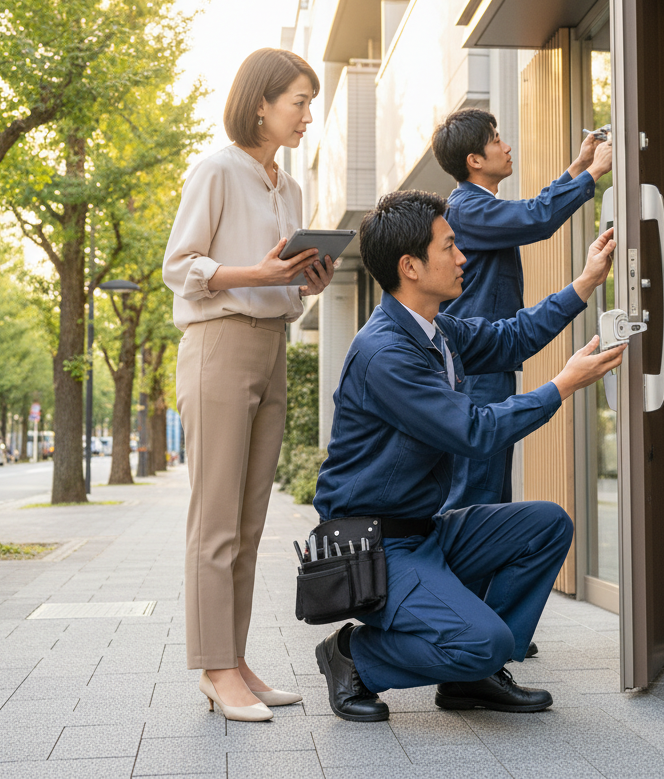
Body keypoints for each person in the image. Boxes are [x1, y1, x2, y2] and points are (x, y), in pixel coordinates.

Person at [312, 190, 623, 722]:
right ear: (411, 267)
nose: (463, 258)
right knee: (485, 640)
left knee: (545, 525)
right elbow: (474, 430)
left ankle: (470, 678)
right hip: (375, 547)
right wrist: (562, 386)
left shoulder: (434, 329)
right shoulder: (386, 353)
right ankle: (354, 656)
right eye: (450, 247)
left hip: (422, 532)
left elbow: (511, 338)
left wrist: (587, 282)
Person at [163, 48, 336, 722]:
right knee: (215, 523)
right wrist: (257, 275)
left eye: (309, 103)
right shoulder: (216, 169)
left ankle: (232, 662)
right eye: (298, 101)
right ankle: (213, 669)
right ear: (260, 103)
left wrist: (301, 283)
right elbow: (180, 267)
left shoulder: (288, 189)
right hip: (218, 345)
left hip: (270, 347)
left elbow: (280, 284)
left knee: (250, 523)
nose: (307, 116)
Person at [431, 108, 612, 516]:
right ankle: (458, 579)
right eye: (496, 139)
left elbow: (528, 214)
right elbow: (535, 217)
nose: (506, 146)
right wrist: (592, 174)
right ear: (474, 160)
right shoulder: (465, 210)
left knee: (490, 492)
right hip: (476, 370)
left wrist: (578, 166)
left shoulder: (478, 208)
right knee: (476, 496)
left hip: (486, 362)